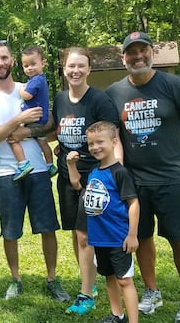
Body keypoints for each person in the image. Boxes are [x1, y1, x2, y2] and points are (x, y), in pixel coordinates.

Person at [105, 31, 180, 322]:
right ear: (123, 58)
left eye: (143, 50)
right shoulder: (114, 93)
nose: (138, 56)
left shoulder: (174, 86)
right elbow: (110, 135)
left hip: (171, 177)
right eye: (131, 52)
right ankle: (152, 291)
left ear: (152, 53)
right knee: (141, 238)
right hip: (134, 181)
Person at [0, 40, 69, 302]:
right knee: (11, 231)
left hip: (38, 171)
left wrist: (25, 131)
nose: (0, 63)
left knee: (47, 227)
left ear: (13, 61)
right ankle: (15, 279)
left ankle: (52, 278)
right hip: (7, 174)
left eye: (4, 58)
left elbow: (48, 123)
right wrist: (17, 121)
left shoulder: (29, 86)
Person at [50, 47, 121, 316]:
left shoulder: (99, 100)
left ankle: (86, 294)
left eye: (81, 66)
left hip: (94, 179)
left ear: (89, 69)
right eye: (71, 66)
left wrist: (115, 173)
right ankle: (88, 283)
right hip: (67, 176)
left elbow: (113, 138)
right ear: (64, 69)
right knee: (76, 233)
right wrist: (25, 132)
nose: (75, 71)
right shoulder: (59, 99)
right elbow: (57, 130)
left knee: (84, 237)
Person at [67, 121, 139, 323]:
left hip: (118, 238)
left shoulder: (120, 172)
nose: (95, 147)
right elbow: (76, 184)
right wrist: (71, 164)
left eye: (100, 142)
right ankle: (117, 315)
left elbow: (133, 203)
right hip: (99, 238)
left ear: (114, 141)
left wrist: (132, 235)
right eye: (91, 144)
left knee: (124, 280)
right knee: (108, 277)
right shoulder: (94, 172)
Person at [9, 45, 56, 181]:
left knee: (13, 138)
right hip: (41, 119)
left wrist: (21, 90)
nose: (29, 68)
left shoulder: (36, 80)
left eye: (33, 64)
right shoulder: (41, 79)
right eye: (26, 65)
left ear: (43, 63)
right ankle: (50, 165)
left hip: (33, 120)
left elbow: (27, 95)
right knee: (43, 143)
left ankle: (23, 164)